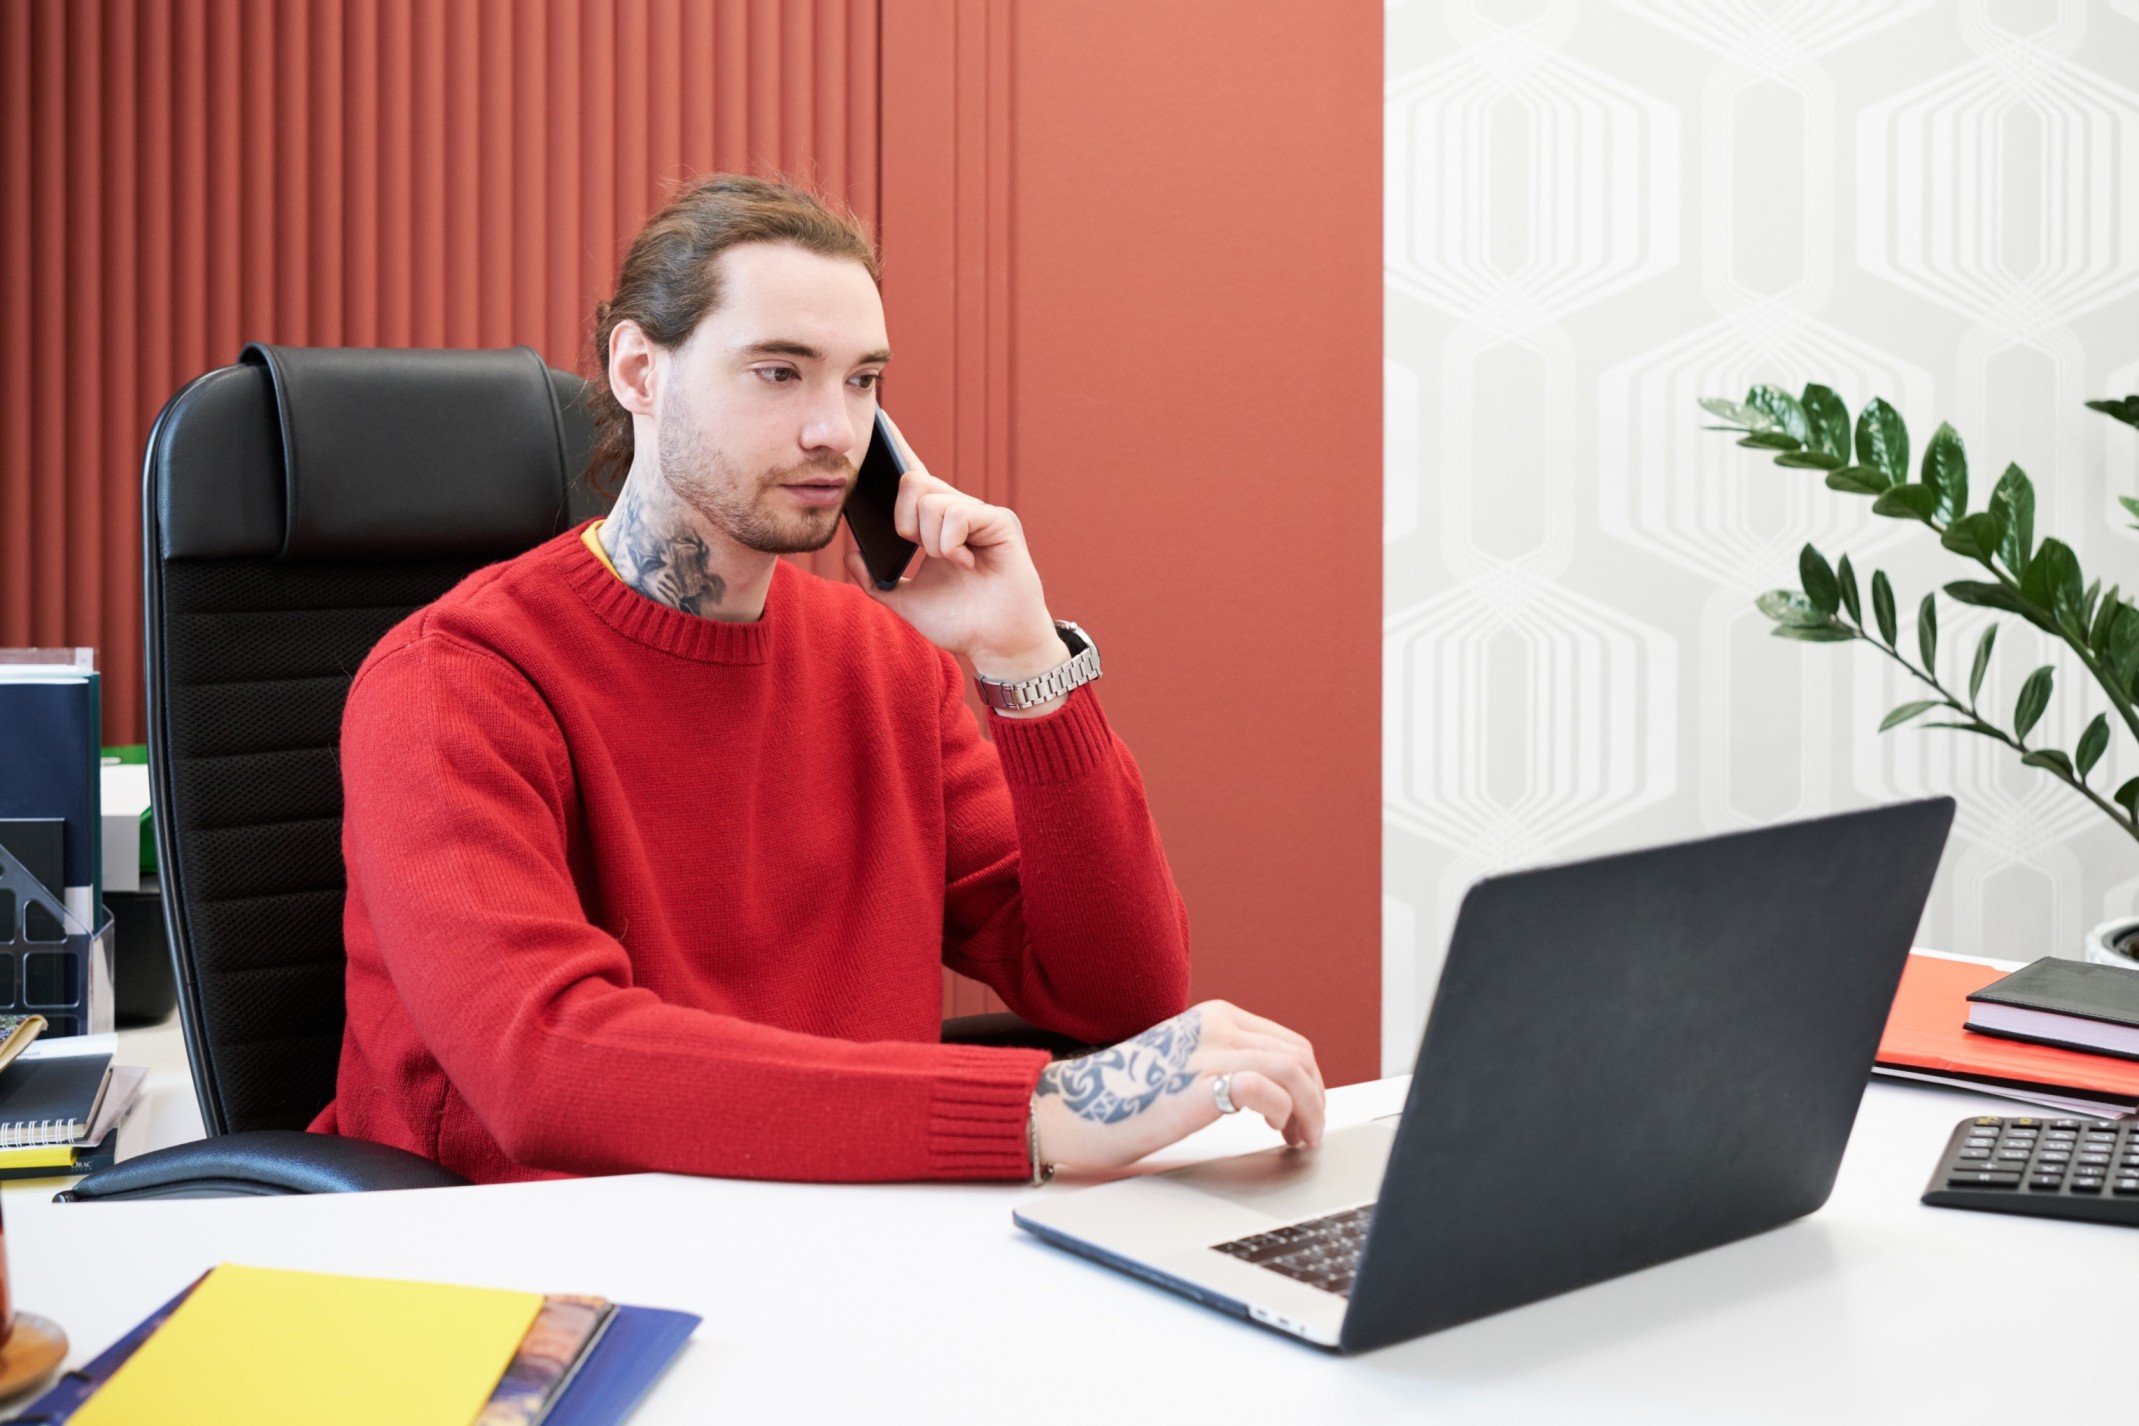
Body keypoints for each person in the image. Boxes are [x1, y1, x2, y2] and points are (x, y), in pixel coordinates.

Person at [314, 173, 1326, 1184]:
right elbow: (544, 1064)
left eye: (861, 380)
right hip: (516, 1247)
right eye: (779, 372)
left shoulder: (884, 667)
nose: (835, 432)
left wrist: (1024, 661)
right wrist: (1038, 1114)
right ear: (639, 369)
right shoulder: (452, 681)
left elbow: (1121, 994)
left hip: (840, 1224)